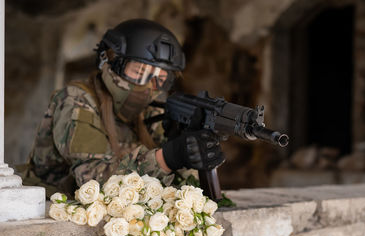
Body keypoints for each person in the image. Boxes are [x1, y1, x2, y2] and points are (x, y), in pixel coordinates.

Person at [22, 19, 225, 198]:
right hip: (49, 209)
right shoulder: (76, 100)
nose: (148, 86)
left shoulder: (151, 111)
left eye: (160, 79)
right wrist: (168, 157)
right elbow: (93, 182)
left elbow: (176, 183)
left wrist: (192, 153)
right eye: (139, 72)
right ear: (110, 61)